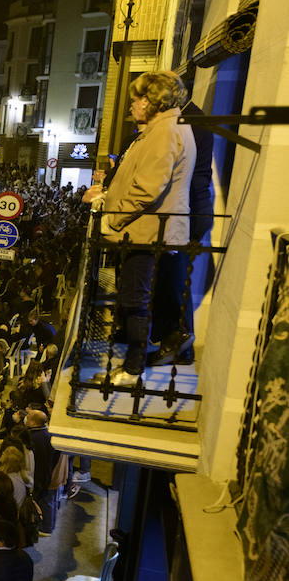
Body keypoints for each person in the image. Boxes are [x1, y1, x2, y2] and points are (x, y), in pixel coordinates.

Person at [85, 71, 194, 386]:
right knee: (136, 298)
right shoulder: (163, 129)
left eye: (135, 100)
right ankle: (134, 365)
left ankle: (133, 370)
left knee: (135, 299)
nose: (131, 106)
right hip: (146, 230)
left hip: (145, 232)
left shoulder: (165, 132)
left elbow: (147, 190)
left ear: (152, 100)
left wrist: (112, 218)